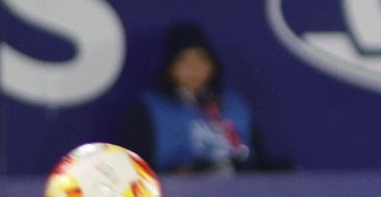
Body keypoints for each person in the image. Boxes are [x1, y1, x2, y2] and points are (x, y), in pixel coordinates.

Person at [121, 22, 284, 175]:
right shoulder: (148, 107)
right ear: (169, 67)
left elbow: (259, 161)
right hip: (179, 195)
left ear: (213, 64)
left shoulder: (234, 103)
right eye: (183, 60)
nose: (194, 68)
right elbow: (137, 170)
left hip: (243, 194)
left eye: (201, 59)